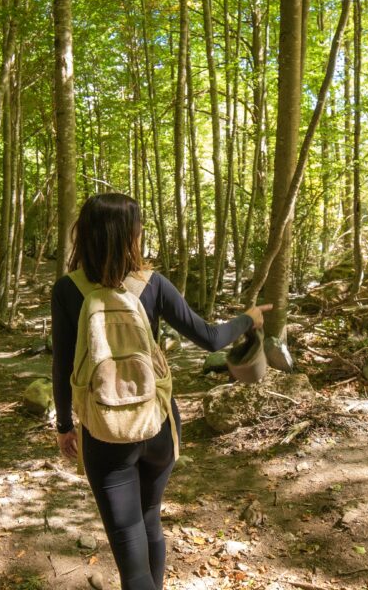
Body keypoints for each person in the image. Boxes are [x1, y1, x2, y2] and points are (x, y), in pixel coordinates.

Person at [51, 193, 271, 590]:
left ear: (84, 234)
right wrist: (248, 318)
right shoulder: (152, 285)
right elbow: (209, 337)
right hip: (159, 425)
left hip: (105, 431)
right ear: (131, 235)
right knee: (150, 518)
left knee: (130, 556)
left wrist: (66, 425)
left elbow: (63, 364)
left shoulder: (68, 290)